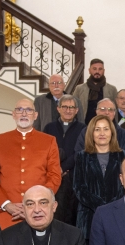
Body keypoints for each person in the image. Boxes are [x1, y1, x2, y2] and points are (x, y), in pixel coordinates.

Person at [0, 98, 62, 229]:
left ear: (35, 115)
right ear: (13, 114)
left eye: (29, 110)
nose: (24, 113)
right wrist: (6, 204)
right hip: (7, 215)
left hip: (39, 213)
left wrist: (38, 204)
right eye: (20, 110)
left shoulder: (48, 141)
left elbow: (54, 176)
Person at [72, 115, 125, 242]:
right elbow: (78, 187)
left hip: (117, 215)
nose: (102, 133)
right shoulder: (82, 156)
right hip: (89, 218)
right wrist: (101, 206)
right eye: (97, 129)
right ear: (91, 133)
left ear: (112, 132)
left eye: (106, 129)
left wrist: (111, 207)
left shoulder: (123, 156)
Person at [44, 94, 87, 226]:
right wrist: (56, 168)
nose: (68, 110)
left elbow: (81, 151)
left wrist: (63, 168)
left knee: (71, 215)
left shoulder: (83, 128)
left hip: (73, 176)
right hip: (51, 176)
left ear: (77, 110)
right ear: (58, 109)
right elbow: (44, 151)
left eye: (71, 107)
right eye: (65, 107)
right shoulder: (49, 127)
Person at [73, 58, 118, 124]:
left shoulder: (112, 89)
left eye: (100, 69)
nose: (97, 71)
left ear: (104, 71)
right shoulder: (79, 89)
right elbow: (74, 107)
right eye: (94, 69)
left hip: (105, 125)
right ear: (89, 70)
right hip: (84, 125)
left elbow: (115, 110)